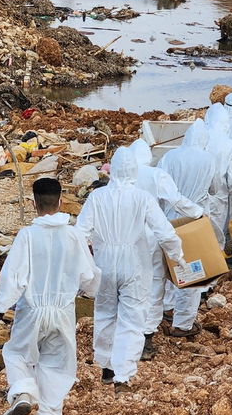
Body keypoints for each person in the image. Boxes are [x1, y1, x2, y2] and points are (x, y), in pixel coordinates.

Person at [0, 176, 100, 415]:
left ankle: (23, 393)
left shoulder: (27, 236)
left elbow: (13, 277)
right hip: (63, 311)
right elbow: (89, 276)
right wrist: (90, 292)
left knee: (17, 354)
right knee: (56, 366)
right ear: (61, 201)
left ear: (33, 203)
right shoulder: (75, 235)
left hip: (32, 310)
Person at [77, 146, 188, 389]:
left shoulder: (97, 197)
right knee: (132, 317)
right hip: (135, 264)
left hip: (104, 263)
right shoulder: (142, 197)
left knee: (105, 313)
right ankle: (122, 377)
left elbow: (80, 233)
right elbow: (164, 231)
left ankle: (106, 367)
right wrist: (177, 255)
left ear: (112, 171)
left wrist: (82, 266)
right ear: (134, 171)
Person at [129, 138, 205, 349]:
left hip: (124, 239)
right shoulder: (156, 175)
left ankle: (128, 331)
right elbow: (176, 200)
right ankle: (146, 339)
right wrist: (198, 214)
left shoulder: (120, 179)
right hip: (151, 239)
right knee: (154, 286)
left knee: (129, 285)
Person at [156, 120, 221, 338]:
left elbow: (160, 186)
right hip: (196, 219)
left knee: (169, 265)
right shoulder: (209, 159)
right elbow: (216, 187)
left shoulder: (170, 157)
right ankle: (183, 323)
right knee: (193, 270)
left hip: (170, 218)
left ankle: (166, 308)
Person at [203, 103, 232, 258]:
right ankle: (215, 268)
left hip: (197, 196)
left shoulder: (200, 138)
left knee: (200, 233)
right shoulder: (229, 144)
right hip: (220, 196)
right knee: (217, 236)